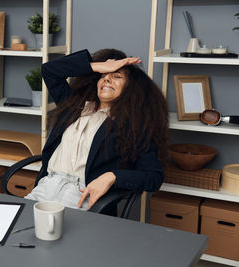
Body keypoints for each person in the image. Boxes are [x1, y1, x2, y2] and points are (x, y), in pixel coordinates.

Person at [24, 49, 169, 214]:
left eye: (117, 76)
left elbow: (153, 177)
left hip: (82, 196)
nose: (107, 78)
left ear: (130, 88)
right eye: (104, 75)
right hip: (47, 186)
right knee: (14, 229)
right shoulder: (73, 106)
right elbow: (50, 70)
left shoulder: (134, 125)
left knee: (63, 238)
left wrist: (113, 177)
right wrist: (99, 66)